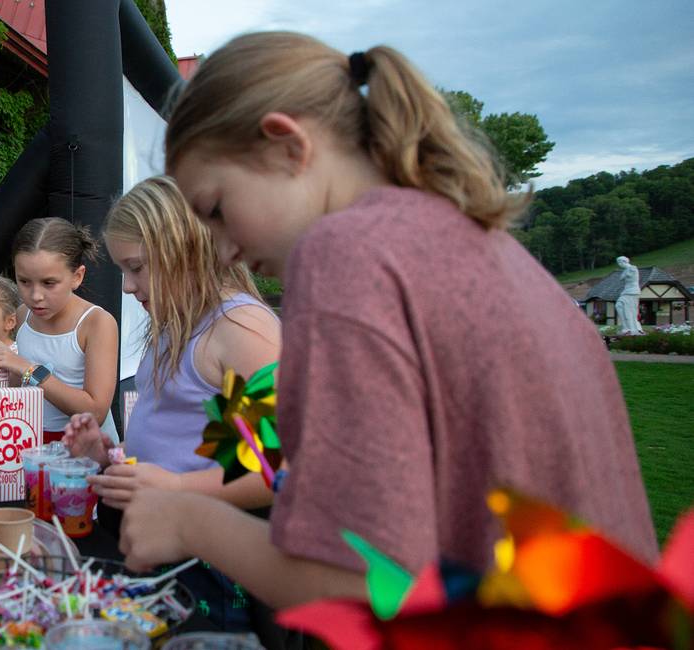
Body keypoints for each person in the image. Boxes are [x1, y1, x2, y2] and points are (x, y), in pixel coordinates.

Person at [116, 32, 660, 611]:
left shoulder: (344, 251)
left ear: (286, 145)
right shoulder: (481, 243)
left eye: (218, 210)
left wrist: (187, 519)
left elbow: (362, 583)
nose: (221, 249)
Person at [63, 175, 288, 637]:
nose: (127, 286)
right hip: (166, 542)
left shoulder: (241, 330)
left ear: (186, 250)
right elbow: (179, 437)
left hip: (219, 562)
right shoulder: (174, 323)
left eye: (138, 268)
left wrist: (177, 485)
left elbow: (275, 468)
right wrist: (109, 456)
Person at [0, 217, 120, 444]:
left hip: (87, 455)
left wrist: (28, 368)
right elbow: (19, 385)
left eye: (49, 283)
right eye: (24, 281)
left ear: (77, 276)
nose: (35, 295)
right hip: (34, 442)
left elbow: (95, 412)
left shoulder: (96, 323)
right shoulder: (23, 314)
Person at [615, 255, 643, 335]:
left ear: (624, 262)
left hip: (632, 291)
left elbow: (623, 277)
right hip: (626, 291)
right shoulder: (626, 270)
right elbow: (622, 277)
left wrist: (625, 274)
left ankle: (632, 328)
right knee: (619, 306)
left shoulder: (632, 268)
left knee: (628, 310)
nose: (619, 265)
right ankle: (626, 327)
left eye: (619, 262)